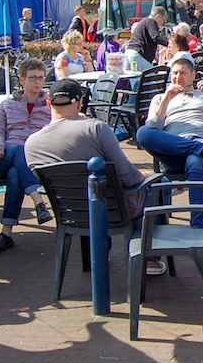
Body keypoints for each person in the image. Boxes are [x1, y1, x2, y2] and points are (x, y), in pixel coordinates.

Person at [24, 79, 166, 275]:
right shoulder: (96, 129)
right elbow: (128, 177)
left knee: (94, 189)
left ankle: (100, 253)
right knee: (159, 184)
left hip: (71, 214)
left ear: (48, 102)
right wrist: (146, 175)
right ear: (80, 103)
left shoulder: (31, 144)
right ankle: (147, 257)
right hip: (114, 211)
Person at [135, 58, 203, 229]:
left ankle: (198, 228)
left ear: (193, 75)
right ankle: (202, 149)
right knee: (142, 132)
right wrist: (166, 99)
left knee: (195, 162)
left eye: (182, 73)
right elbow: (153, 128)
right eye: (174, 73)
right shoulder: (160, 98)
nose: (177, 77)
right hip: (175, 151)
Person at [0, 58, 54, 255]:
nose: (37, 82)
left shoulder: (50, 105)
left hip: (35, 160)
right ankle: (37, 197)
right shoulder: (8, 104)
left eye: (40, 78)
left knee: (16, 174)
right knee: (18, 150)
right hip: (5, 155)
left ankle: (6, 233)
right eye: (32, 78)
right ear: (22, 80)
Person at [123, 6, 168, 71]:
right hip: (139, 55)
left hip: (130, 53)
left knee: (132, 79)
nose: (162, 24)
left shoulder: (143, 21)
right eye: (163, 20)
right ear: (158, 16)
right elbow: (155, 37)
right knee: (146, 80)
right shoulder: (151, 21)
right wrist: (169, 42)